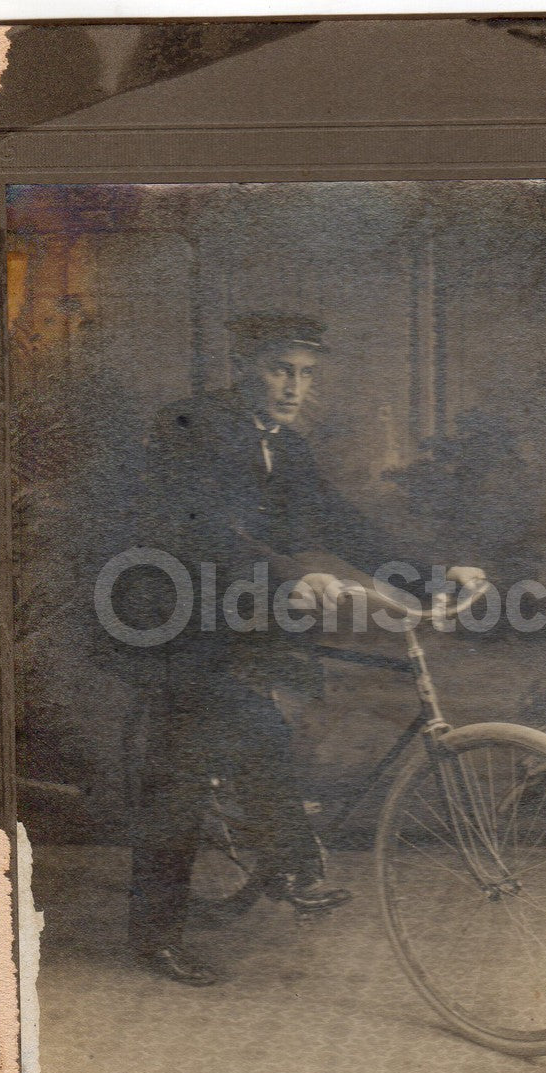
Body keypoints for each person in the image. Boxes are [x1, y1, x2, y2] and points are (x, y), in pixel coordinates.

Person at [125, 313, 484, 985]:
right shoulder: (189, 424)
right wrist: (294, 575)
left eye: (306, 373)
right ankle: (157, 935)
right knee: (197, 755)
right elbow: (197, 531)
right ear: (244, 362)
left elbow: (344, 522)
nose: (294, 387)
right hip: (167, 613)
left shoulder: (286, 447)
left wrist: (434, 575)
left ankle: (282, 851)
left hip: (245, 612)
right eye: (279, 369)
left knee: (272, 719)